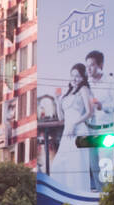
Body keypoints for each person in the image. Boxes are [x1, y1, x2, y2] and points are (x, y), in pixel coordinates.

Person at [48, 64, 96, 198]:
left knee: (76, 167)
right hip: (67, 132)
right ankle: (64, 198)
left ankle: (79, 198)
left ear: (83, 77)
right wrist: (57, 101)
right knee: (59, 166)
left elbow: (90, 112)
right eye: (73, 75)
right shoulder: (67, 93)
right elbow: (61, 117)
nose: (75, 78)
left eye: (78, 76)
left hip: (79, 131)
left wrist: (75, 123)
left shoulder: (84, 89)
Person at [84, 51, 114, 191]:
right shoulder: (86, 83)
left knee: (106, 167)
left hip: (106, 130)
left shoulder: (111, 82)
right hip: (90, 130)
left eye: (92, 65)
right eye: (87, 65)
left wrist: (103, 106)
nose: (89, 69)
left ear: (101, 65)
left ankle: (110, 198)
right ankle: (99, 201)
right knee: (94, 167)